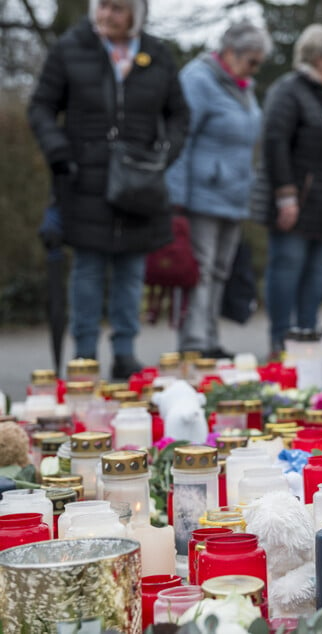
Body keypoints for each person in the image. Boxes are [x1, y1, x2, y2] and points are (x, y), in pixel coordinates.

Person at [28, 0, 189, 379]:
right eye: (102, 6)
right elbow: (40, 108)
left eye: (117, 8)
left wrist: (164, 154)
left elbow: (180, 114)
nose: (106, 15)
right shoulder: (70, 48)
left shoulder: (157, 54)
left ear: (135, 13)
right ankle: (84, 353)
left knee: (132, 267)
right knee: (87, 267)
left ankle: (124, 352)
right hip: (84, 179)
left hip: (139, 182)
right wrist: (58, 152)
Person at [165, 22, 271, 359]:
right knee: (201, 269)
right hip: (201, 195)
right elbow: (182, 138)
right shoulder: (198, 79)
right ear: (230, 52)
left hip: (233, 196)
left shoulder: (243, 86)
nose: (255, 69)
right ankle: (193, 341)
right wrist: (176, 196)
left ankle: (208, 337)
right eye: (252, 61)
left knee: (221, 271)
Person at [260, 24, 322, 359]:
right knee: (287, 267)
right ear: (319, 59)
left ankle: (309, 339)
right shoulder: (288, 91)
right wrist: (286, 196)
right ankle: (281, 341)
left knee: (315, 274)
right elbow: (275, 143)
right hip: (296, 201)